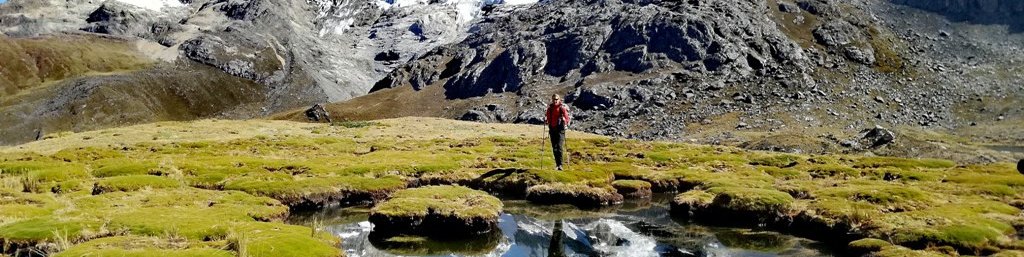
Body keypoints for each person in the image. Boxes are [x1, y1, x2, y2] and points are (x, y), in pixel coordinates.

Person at [545, 94, 571, 171]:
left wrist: (564, 121)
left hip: (560, 129)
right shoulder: (549, 109)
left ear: (559, 100)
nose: (555, 101)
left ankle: (560, 165)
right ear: (552, 100)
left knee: (559, 147)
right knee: (554, 147)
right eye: (554, 99)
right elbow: (548, 119)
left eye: (556, 99)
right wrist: (546, 121)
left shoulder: (562, 108)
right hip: (552, 129)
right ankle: (557, 164)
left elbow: (567, 119)